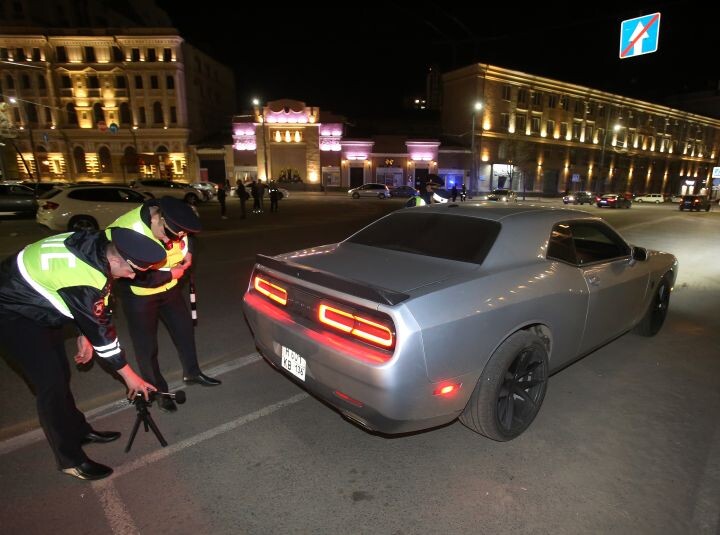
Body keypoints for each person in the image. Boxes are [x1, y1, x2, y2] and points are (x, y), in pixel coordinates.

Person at [0, 228, 165, 481]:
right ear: (115, 258)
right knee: (50, 385)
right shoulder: (87, 276)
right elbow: (103, 334)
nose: (133, 276)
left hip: (34, 301)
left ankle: (79, 431)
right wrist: (130, 377)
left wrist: (82, 331)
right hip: (12, 315)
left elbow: (78, 298)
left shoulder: (94, 243)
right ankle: (70, 460)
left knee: (61, 374)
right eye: (132, 270)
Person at [106, 197, 221, 414]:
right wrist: (171, 274)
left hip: (170, 290)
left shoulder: (172, 221)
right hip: (139, 295)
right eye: (167, 234)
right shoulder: (126, 231)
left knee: (184, 331)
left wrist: (189, 252)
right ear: (156, 219)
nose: (170, 240)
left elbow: (187, 236)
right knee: (147, 347)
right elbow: (132, 275)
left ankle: (192, 373)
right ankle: (159, 392)